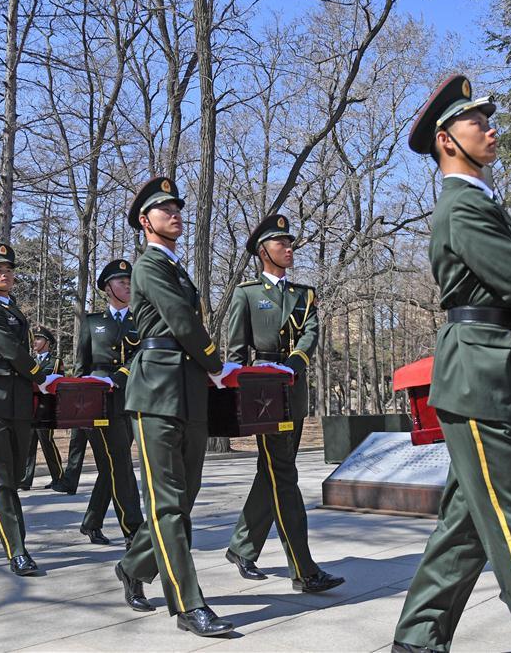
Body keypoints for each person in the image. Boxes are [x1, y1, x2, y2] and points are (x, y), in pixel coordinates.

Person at [392, 75, 511, 653]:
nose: (491, 127)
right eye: (478, 121)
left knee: (467, 523)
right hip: (479, 376)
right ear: (447, 140)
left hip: (492, 372)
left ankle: (418, 637)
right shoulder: (462, 208)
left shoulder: (479, 203)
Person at [113, 175, 238, 637]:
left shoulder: (176, 267)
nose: (176, 214)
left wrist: (206, 372)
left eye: (178, 208)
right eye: (166, 210)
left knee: (183, 498)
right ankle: (189, 605)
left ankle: (132, 565)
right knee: (168, 504)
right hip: (158, 391)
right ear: (146, 221)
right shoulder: (149, 265)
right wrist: (215, 363)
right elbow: (181, 320)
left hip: (189, 391)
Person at [224, 214, 344, 593]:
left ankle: (242, 546)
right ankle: (304, 569)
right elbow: (236, 349)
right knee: (282, 474)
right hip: (261, 393)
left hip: (294, 388)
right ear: (264, 251)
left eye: (290, 243)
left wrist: (296, 363)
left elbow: (310, 333)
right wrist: (240, 394)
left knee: (276, 470)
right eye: (282, 244)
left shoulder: (304, 295)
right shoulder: (246, 293)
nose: (290, 249)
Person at [0, 243, 61, 575]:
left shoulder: (16, 311)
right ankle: (17, 550)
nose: (5, 275)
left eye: (9, 270)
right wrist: (40, 376)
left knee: (11, 476)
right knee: (3, 480)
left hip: (19, 400)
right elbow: (8, 349)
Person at [73, 260, 143, 546]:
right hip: (99, 404)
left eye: (130, 282)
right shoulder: (93, 322)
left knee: (112, 465)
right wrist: (78, 407)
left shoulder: (140, 319)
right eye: (121, 282)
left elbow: (142, 356)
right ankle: (134, 530)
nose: (127, 286)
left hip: (132, 397)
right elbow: (81, 366)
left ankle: (91, 522)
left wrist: (120, 376)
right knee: (120, 464)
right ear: (107, 288)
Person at [19, 326, 65, 491]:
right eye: (34, 339)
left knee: (47, 443)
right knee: (28, 444)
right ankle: (25, 479)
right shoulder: (28, 360)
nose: (35, 342)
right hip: (29, 408)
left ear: (47, 342)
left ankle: (58, 477)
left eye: (38, 339)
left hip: (46, 408)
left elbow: (47, 380)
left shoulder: (55, 362)